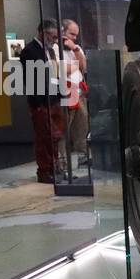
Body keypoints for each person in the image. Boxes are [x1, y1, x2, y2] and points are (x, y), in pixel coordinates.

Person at [20, 19, 64, 183]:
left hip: (53, 100)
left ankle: (54, 167)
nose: (54, 40)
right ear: (43, 33)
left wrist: (59, 96)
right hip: (41, 102)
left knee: (54, 137)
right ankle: (45, 171)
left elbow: (55, 74)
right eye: (52, 36)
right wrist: (38, 104)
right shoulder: (29, 51)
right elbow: (30, 80)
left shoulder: (50, 51)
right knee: (43, 137)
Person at [60, 18, 90, 170]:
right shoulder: (54, 49)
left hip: (79, 91)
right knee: (64, 128)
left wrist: (76, 50)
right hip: (66, 91)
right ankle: (62, 162)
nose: (74, 38)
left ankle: (83, 156)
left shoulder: (76, 48)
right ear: (63, 32)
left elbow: (83, 67)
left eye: (76, 35)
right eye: (72, 34)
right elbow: (60, 70)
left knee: (82, 126)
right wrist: (75, 65)